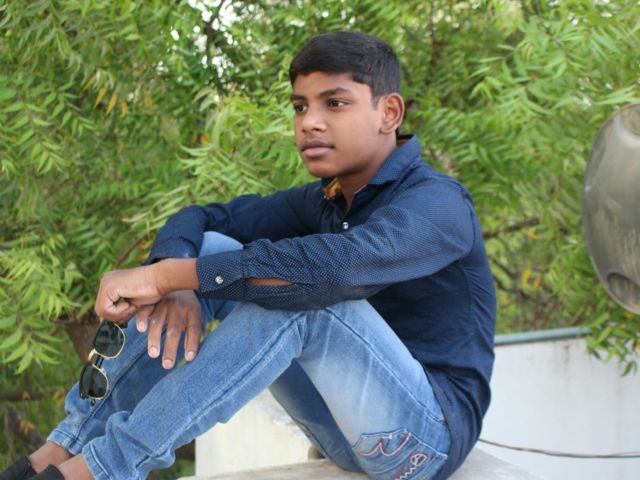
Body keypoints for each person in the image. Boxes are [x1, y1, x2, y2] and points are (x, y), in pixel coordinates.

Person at [1, 31, 496, 480]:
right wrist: (174, 280)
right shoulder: (326, 199)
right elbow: (202, 218)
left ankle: (103, 469)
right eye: (300, 106)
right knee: (211, 252)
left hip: (421, 440)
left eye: (335, 103)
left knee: (305, 294)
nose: (310, 122)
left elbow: (337, 270)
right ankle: (64, 447)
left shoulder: (439, 204)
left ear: (389, 113)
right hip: (335, 426)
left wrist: (173, 277)